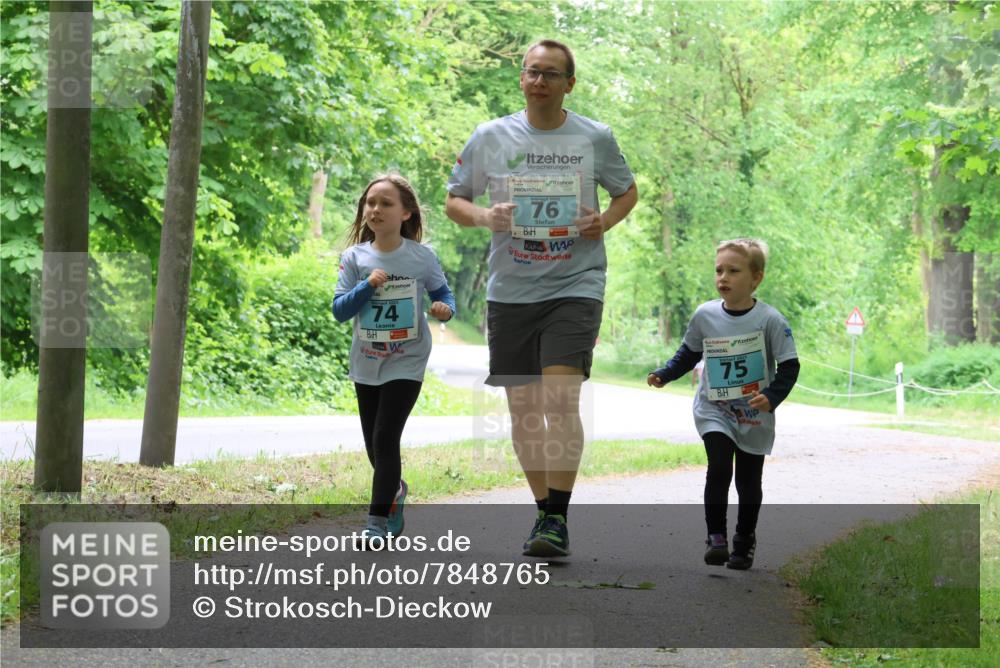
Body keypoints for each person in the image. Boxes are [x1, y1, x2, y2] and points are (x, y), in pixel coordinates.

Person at [445, 39, 638, 557]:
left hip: (575, 284)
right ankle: (544, 514)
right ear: (522, 79)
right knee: (525, 411)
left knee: (559, 398)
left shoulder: (595, 136)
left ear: (569, 83)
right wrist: (487, 217)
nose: (539, 82)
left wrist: (604, 221)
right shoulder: (491, 136)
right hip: (510, 290)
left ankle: (557, 516)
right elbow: (454, 201)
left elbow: (627, 191)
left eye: (551, 74)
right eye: (532, 72)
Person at [647, 238, 799, 570]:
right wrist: (665, 374)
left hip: (753, 412)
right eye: (719, 270)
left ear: (756, 278)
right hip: (714, 408)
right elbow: (689, 352)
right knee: (718, 467)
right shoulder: (706, 314)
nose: (723, 278)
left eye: (733, 270)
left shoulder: (771, 320)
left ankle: (744, 540)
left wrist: (771, 397)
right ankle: (715, 537)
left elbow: (790, 367)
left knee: (748, 481)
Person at [333, 174, 456, 545]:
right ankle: (395, 490)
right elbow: (340, 311)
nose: (375, 209)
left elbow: (445, 297)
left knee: (386, 437)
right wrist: (367, 285)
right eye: (371, 202)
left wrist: (443, 310)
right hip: (367, 360)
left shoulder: (421, 257)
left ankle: (375, 523)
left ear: (406, 213)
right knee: (374, 444)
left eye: (386, 203)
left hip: (408, 358)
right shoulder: (354, 258)